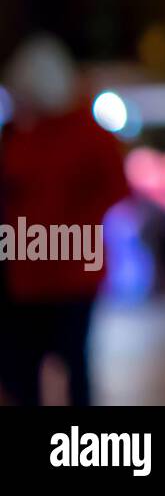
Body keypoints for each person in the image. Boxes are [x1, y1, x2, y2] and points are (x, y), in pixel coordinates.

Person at [0, 35, 129, 405]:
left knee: (72, 363)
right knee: (25, 367)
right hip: (27, 273)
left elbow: (114, 188)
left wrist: (73, 220)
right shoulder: (19, 135)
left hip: (69, 274)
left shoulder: (86, 134)